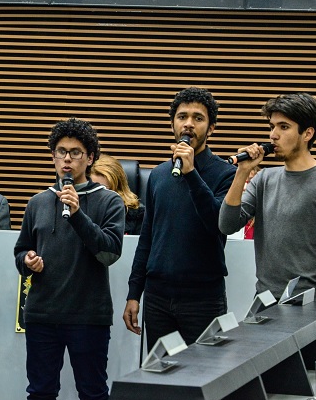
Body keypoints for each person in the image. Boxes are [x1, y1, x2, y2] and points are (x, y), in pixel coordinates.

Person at [14, 118, 125, 400]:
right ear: (52, 156)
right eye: (61, 151)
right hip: (41, 314)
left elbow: (110, 253)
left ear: (90, 158)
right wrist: (26, 261)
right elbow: (20, 250)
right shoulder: (37, 202)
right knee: (40, 394)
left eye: (75, 152)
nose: (67, 159)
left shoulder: (109, 201)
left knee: (93, 395)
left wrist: (76, 214)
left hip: (88, 316)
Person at [123, 87, 236, 350]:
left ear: (211, 129)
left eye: (198, 118)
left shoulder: (226, 174)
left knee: (204, 379)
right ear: (173, 123)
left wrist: (191, 173)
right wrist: (133, 293)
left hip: (203, 298)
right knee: (161, 377)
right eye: (182, 116)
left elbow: (217, 223)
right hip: (158, 296)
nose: (189, 123)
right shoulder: (160, 175)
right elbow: (148, 237)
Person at [219, 93, 316, 298]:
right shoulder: (264, 179)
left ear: (307, 134)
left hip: (308, 303)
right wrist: (242, 172)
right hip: (265, 299)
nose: (273, 135)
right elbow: (226, 225)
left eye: (284, 127)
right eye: (272, 127)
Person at [91, 154, 145, 235]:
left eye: (103, 189)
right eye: (92, 188)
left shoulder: (138, 216)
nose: (97, 194)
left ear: (119, 190)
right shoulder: (77, 211)